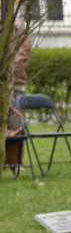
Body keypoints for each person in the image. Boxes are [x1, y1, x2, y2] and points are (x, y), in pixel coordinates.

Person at [5, 21, 31, 170]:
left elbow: (24, 55)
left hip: (15, 82)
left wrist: (6, 73)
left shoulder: (21, 31)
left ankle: (15, 161)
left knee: (16, 122)